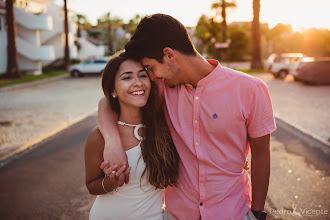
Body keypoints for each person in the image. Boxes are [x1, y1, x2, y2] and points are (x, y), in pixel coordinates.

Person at [98, 14, 276, 220]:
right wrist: (111, 141)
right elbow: (107, 102)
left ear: (169, 56)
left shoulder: (251, 89)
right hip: (178, 214)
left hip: (232, 212)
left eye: (150, 68)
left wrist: (257, 213)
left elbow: (262, 154)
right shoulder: (163, 88)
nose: (152, 76)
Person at [84, 50, 179, 219]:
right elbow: (91, 185)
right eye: (127, 77)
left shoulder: (164, 126)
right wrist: (111, 182)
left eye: (142, 76)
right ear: (113, 89)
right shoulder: (98, 137)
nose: (137, 83)